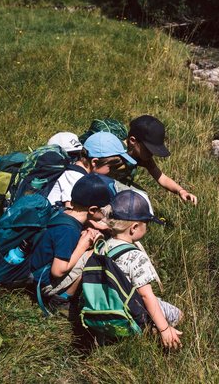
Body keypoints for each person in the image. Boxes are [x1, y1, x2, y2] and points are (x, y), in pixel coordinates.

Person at [101, 189, 183, 349]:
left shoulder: (105, 245)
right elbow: (146, 296)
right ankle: (151, 331)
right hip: (128, 308)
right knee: (178, 314)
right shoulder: (135, 257)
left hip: (108, 302)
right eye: (147, 223)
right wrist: (164, 329)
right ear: (134, 227)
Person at [29, 173, 114, 310]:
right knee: (93, 255)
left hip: (36, 270)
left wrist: (96, 226)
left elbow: (84, 217)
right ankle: (62, 298)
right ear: (92, 209)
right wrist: (83, 245)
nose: (105, 214)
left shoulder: (65, 212)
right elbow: (58, 271)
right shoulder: (68, 231)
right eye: (103, 210)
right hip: (45, 282)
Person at [46, 132, 136, 208]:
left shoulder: (81, 175)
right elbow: (70, 208)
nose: (112, 172)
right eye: (111, 167)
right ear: (95, 162)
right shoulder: (74, 177)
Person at [126, 115, 198, 205]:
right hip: (105, 182)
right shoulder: (115, 151)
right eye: (148, 150)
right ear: (133, 141)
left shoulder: (143, 158)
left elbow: (162, 178)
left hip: (117, 183)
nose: (151, 154)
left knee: (142, 198)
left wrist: (181, 191)